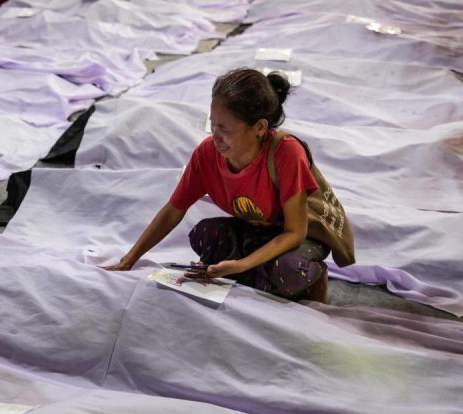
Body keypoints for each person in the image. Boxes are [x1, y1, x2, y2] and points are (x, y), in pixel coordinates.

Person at [105, 68, 332, 303]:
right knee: (205, 235)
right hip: (258, 232)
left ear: (260, 128)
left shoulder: (287, 153)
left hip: (300, 236)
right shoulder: (207, 154)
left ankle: (312, 275)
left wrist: (241, 264)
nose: (215, 136)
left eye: (225, 128)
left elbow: (295, 233)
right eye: (212, 124)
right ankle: (257, 272)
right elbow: (173, 210)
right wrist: (129, 260)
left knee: (289, 272)